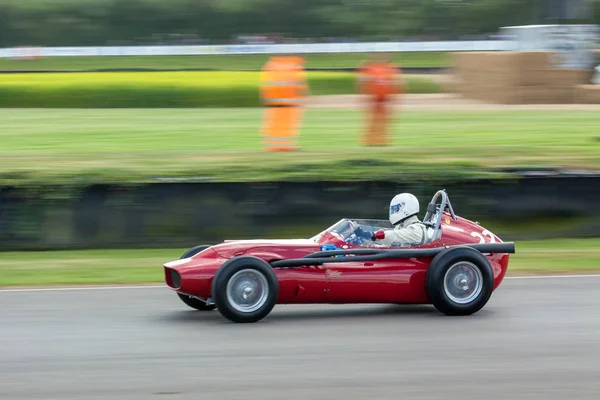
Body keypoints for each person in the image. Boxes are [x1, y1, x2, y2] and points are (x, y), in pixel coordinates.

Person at [356, 53, 405, 146]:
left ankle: (378, 141)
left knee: (381, 120)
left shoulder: (389, 68)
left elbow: (397, 82)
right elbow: (362, 81)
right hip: (376, 97)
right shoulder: (371, 68)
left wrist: (394, 96)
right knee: (375, 120)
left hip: (383, 97)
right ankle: (372, 141)